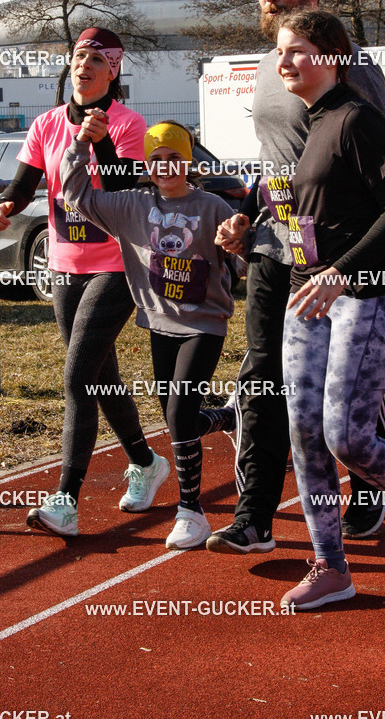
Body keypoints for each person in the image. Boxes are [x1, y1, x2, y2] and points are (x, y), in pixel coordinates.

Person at [207, 0, 385, 554]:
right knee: (264, 377)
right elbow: (277, 164)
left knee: (351, 386)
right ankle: (255, 518)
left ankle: (368, 492)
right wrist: (244, 215)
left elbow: (375, 165)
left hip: (334, 257)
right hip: (272, 245)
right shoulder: (268, 65)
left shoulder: (350, 67)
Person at [272, 8, 385, 608]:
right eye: (280, 52)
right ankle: (331, 569)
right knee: (304, 434)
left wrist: (341, 273)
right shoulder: (312, 122)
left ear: (329, 54)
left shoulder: (356, 119)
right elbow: (317, 218)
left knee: (345, 434)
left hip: (364, 294)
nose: (284, 62)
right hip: (308, 297)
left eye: (296, 50)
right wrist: (250, 234)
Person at [0, 27, 169, 537]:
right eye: (77, 56)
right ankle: (146, 461)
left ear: (114, 70)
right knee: (97, 374)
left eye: (95, 59)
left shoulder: (131, 125)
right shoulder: (45, 124)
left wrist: (101, 139)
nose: (83, 66)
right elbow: (22, 183)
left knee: (75, 376)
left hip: (117, 263)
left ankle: (65, 499)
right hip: (65, 265)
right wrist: (5, 204)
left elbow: (120, 189)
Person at [60, 118, 237, 549]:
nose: (164, 166)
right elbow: (77, 195)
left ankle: (191, 512)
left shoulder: (213, 207)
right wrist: (81, 144)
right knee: (180, 418)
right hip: (159, 322)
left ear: (189, 162)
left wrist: (241, 240)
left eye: (174, 158)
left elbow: (247, 255)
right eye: (155, 159)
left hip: (204, 324)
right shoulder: (133, 205)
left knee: (178, 412)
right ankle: (228, 417)